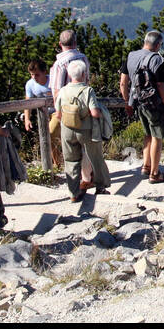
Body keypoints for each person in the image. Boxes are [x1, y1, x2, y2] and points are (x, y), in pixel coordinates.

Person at [56, 58, 111, 201]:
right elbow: (95, 113)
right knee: (95, 157)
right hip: (86, 129)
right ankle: (101, 187)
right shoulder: (88, 90)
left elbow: (58, 114)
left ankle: (73, 193)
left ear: (69, 75)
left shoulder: (62, 91)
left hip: (67, 129)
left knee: (71, 161)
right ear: (83, 74)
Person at [121, 30, 164, 183]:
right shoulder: (156, 59)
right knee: (157, 135)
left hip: (137, 102)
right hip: (153, 103)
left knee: (147, 133)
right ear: (158, 45)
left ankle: (146, 165)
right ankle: (155, 173)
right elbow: (161, 85)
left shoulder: (131, 56)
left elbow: (123, 83)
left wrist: (127, 102)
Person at [47, 30, 90, 169]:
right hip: (84, 106)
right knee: (84, 142)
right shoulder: (83, 58)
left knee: (52, 136)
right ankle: (88, 174)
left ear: (60, 44)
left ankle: (58, 165)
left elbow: (56, 91)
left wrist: (58, 112)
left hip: (66, 110)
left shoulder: (59, 64)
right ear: (75, 43)